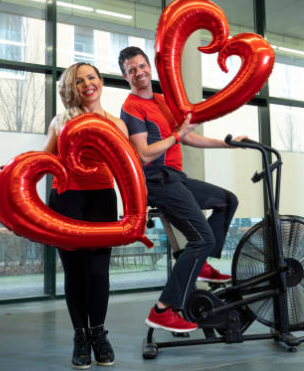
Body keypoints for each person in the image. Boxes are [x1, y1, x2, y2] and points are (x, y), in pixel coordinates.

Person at [118, 46, 243, 333]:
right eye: (131, 70)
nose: (139, 72)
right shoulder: (131, 106)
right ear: (126, 77)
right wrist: (176, 135)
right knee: (201, 239)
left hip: (176, 177)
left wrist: (227, 143)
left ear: (149, 67)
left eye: (141, 66)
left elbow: (187, 139)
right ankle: (163, 309)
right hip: (157, 181)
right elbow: (145, 154)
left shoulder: (161, 101)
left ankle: (201, 265)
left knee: (227, 200)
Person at [43, 62, 127, 369]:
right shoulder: (60, 120)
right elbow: (43, 160)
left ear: (101, 82)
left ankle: (98, 334)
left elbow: (127, 171)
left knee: (97, 272)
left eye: (91, 77)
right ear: (72, 88)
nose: (87, 84)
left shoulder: (117, 124)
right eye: (79, 81)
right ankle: (80, 338)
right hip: (65, 197)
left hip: (101, 198)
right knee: (75, 273)